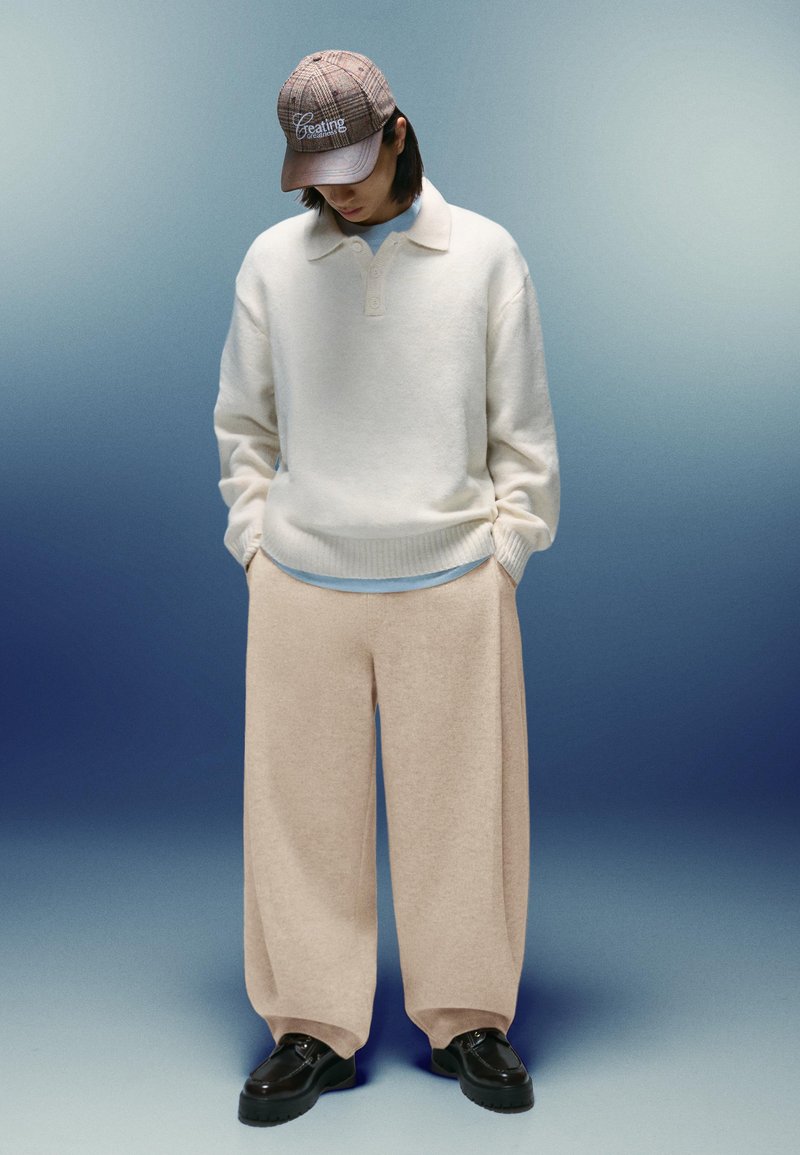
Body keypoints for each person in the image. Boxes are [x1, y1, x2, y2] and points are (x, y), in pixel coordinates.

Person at [213, 49, 560, 1127]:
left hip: (452, 582)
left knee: (464, 811)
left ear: (398, 133)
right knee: (298, 814)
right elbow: (243, 427)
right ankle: (310, 1028)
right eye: (316, 174)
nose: (337, 191)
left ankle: (468, 1019)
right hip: (301, 587)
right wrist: (256, 544)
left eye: (354, 165)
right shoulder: (272, 264)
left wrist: (505, 553)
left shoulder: (486, 255)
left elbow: (523, 436)